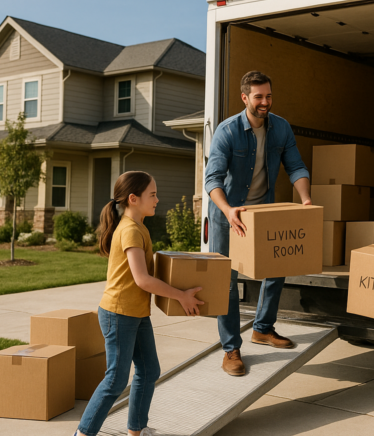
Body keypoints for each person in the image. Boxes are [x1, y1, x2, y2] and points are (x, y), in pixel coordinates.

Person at [75, 171, 204, 436]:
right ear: (133, 199)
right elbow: (143, 279)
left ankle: (136, 430)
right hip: (119, 314)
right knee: (115, 380)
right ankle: (83, 434)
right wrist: (180, 295)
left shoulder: (139, 227)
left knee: (148, 369)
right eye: (153, 194)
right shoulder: (131, 231)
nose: (158, 199)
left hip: (135, 313)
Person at [204, 70, 311, 376]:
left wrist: (305, 201)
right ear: (245, 98)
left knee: (276, 267)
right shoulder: (227, 131)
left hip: (263, 211)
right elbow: (212, 179)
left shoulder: (281, 128)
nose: (265, 102)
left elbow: (296, 165)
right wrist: (227, 210)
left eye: (269, 96)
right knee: (226, 281)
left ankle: (263, 328)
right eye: (259, 97)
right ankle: (230, 349)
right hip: (229, 214)